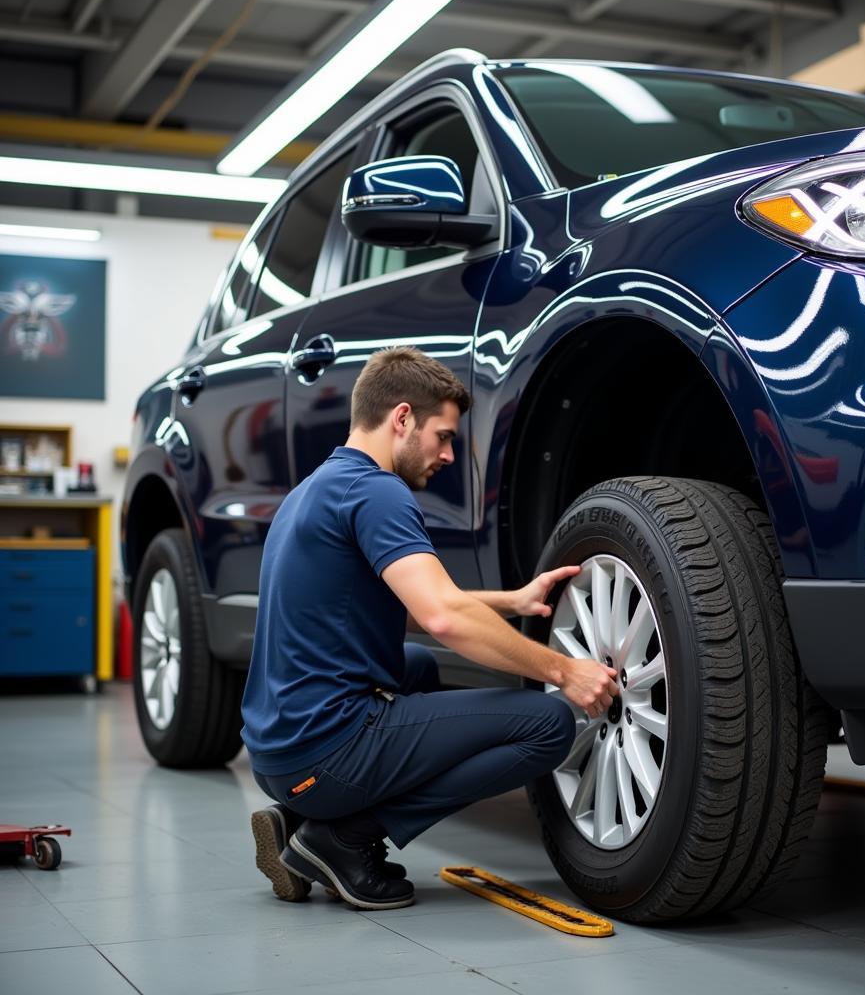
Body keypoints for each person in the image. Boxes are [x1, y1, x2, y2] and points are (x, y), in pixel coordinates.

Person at [242, 346, 618, 910]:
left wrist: (510, 600)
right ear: (401, 418)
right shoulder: (379, 491)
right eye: (443, 435)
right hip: (321, 755)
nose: (447, 454)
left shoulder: (314, 490)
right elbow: (442, 617)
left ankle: (299, 815)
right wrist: (565, 671)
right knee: (547, 724)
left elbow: (413, 604)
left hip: (275, 754)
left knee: (414, 666)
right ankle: (343, 838)